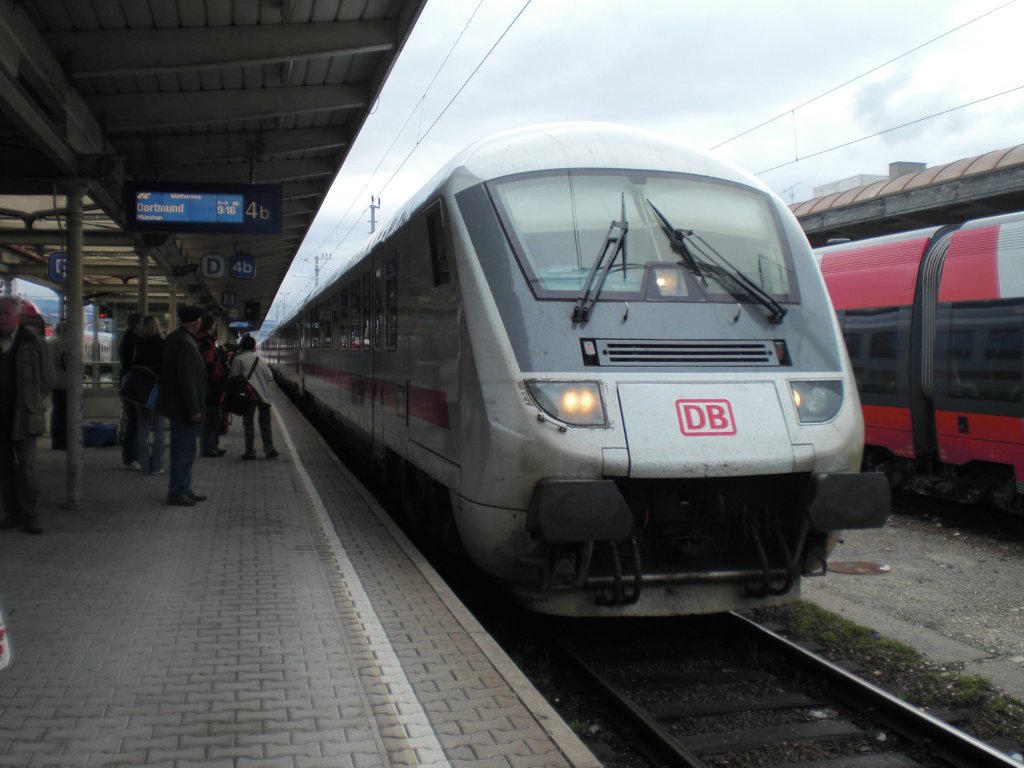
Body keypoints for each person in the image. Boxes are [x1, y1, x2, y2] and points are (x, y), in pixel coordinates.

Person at [0, 295, 55, 534]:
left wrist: (33, 402)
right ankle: (11, 513)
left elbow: (47, 378)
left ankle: (30, 515)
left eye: (6, 314)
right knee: (4, 468)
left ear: (17, 317)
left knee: (27, 469)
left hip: (25, 416)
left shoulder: (33, 343)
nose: (1, 319)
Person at [156, 306, 207, 507]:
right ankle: (177, 491)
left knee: (186, 450)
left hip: (179, 407)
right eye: (200, 321)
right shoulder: (184, 343)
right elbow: (185, 379)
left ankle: (184, 488)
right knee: (183, 451)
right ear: (196, 322)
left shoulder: (178, 338)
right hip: (183, 409)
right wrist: (193, 409)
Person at [230, 335, 279, 461]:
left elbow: (234, 377)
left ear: (241, 346)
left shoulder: (238, 359)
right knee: (265, 424)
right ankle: (269, 451)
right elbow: (270, 377)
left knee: (248, 424)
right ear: (253, 347)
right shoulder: (260, 359)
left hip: (247, 396)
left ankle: (250, 452)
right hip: (263, 396)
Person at [133, 316, 166, 476]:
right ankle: (157, 465)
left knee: (142, 427)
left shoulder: (139, 344)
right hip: (158, 389)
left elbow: (134, 366)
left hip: (140, 389)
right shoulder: (162, 344)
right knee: (159, 428)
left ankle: (144, 464)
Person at [197, 314, 226, 458]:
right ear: (211, 326)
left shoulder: (202, 340)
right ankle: (209, 448)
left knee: (211, 419)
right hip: (210, 388)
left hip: (207, 386)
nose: (215, 327)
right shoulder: (206, 343)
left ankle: (212, 446)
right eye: (214, 325)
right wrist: (220, 377)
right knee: (210, 419)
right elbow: (209, 365)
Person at [118, 312, 143, 469]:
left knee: (134, 420)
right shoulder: (132, 342)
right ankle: (130, 457)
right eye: (142, 323)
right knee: (134, 421)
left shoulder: (130, 340)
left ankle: (132, 455)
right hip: (132, 384)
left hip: (129, 383)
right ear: (136, 325)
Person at [48, 322, 68, 450]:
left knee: (56, 412)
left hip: (52, 381)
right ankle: (61, 441)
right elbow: (65, 363)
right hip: (63, 382)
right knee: (63, 413)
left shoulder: (48, 342)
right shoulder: (61, 344)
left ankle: (55, 439)